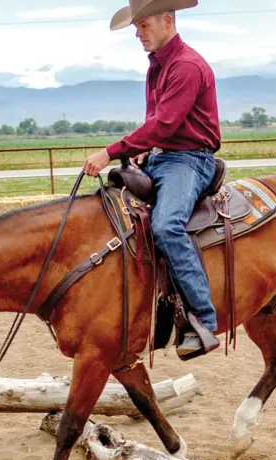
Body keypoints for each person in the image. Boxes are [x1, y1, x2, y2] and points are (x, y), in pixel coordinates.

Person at [82, 0, 221, 359]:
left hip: (190, 160)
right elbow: (156, 122)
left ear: (167, 20)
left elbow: (164, 123)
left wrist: (111, 151)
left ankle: (202, 320)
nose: (138, 33)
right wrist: (144, 150)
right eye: (136, 28)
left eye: (143, 26)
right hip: (163, 156)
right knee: (116, 215)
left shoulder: (187, 66)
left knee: (166, 225)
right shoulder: (158, 66)